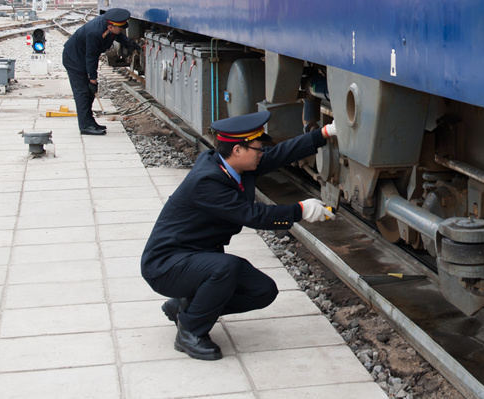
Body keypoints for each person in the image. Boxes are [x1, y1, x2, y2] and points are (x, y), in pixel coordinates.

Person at [141, 111, 338, 360]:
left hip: (195, 257)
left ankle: (187, 307)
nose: (261, 153)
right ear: (237, 150)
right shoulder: (208, 181)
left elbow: (279, 155)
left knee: (262, 291)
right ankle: (190, 331)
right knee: (225, 268)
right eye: (257, 148)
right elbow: (252, 215)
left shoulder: (230, 165)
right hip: (166, 265)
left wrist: (324, 134)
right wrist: (300, 210)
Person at [61, 7, 138, 135]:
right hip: (74, 59)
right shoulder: (95, 33)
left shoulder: (110, 25)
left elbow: (119, 36)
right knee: (83, 92)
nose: (121, 30)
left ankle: (90, 122)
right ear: (110, 27)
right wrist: (93, 79)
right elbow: (91, 57)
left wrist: (133, 45)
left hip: (82, 57)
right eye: (119, 28)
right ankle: (85, 126)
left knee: (89, 93)